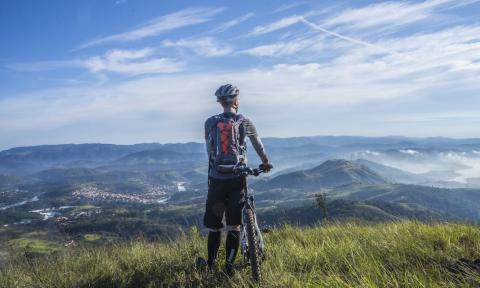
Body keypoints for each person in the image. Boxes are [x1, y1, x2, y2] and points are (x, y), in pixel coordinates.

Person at [203, 84, 272, 275]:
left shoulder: (209, 123)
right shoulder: (245, 122)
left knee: (215, 227)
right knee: (234, 225)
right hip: (237, 179)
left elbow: (209, 151)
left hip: (217, 179)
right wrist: (265, 162)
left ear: (220, 101)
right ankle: (229, 266)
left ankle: (209, 265)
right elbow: (258, 145)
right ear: (236, 100)